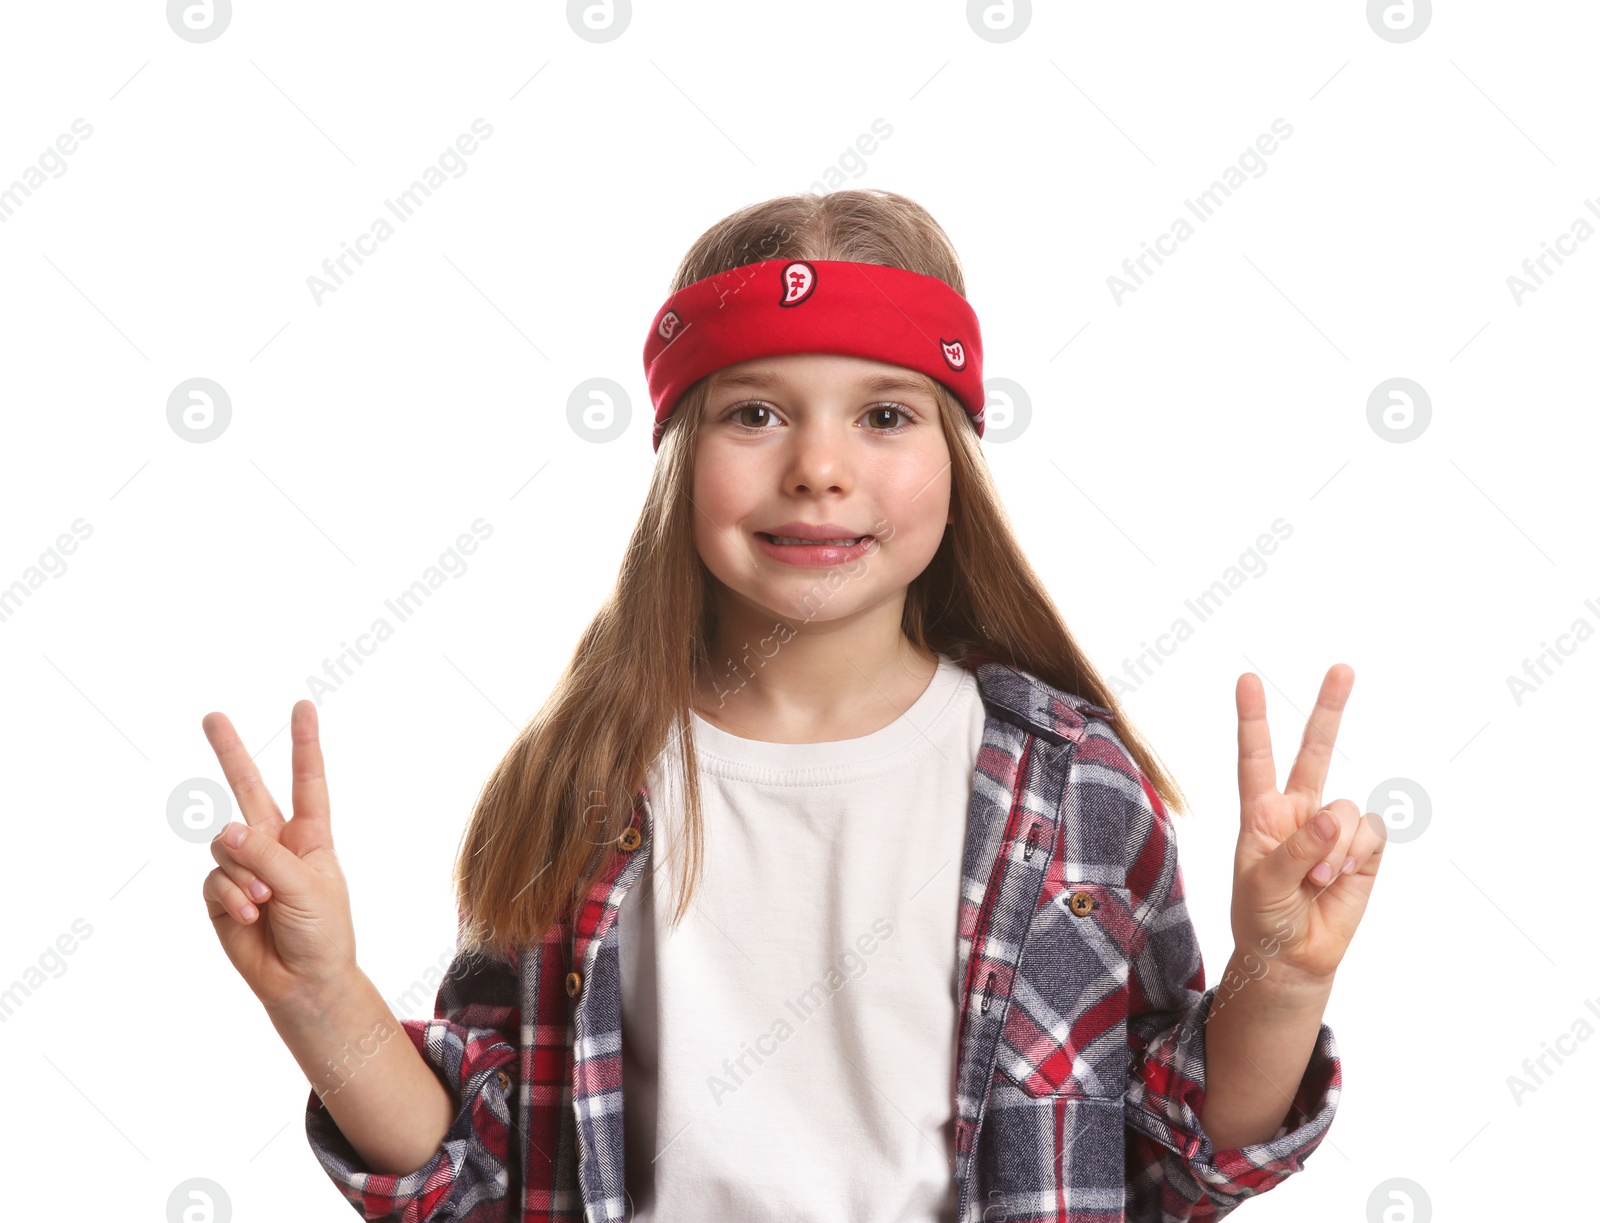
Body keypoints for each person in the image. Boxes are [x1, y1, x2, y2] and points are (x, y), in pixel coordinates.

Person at [199, 188, 1386, 1222]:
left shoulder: (1072, 782)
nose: (818, 465)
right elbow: (480, 1169)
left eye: (884, 413)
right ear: (678, 454)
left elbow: (1176, 1158)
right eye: (754, 411)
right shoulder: (585, 781)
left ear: (955, 458)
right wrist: (322, 997)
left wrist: (1278, 975)